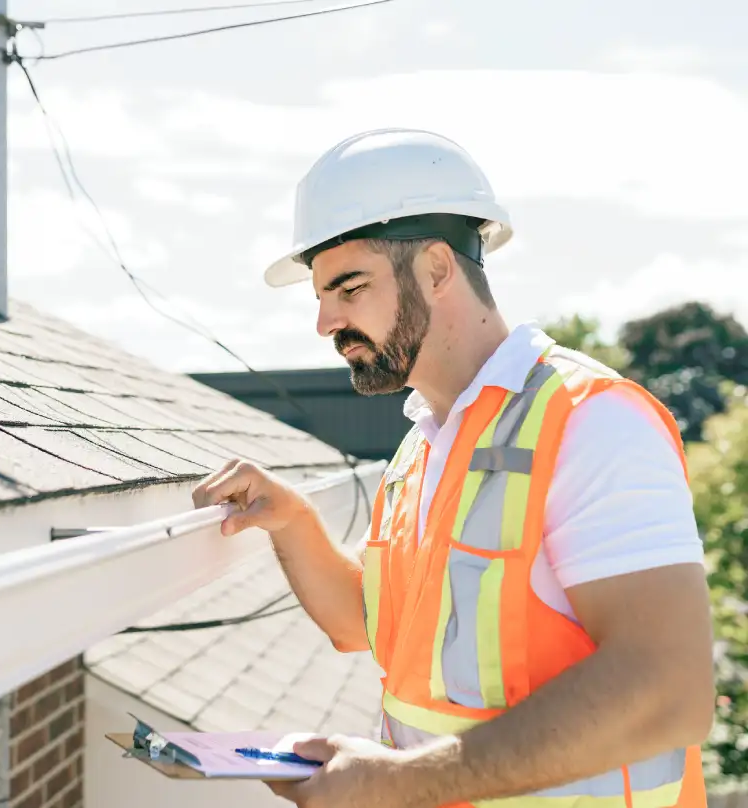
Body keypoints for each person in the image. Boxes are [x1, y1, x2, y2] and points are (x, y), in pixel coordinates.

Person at [192, 128, 715, 808]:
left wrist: (393, 782)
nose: (325, 321)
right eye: (321, 296)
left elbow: (667, 690)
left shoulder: (591, 422)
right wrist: (290, 519)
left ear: (438, 269)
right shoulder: (424, 446)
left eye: (349, 288)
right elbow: (365, 621)